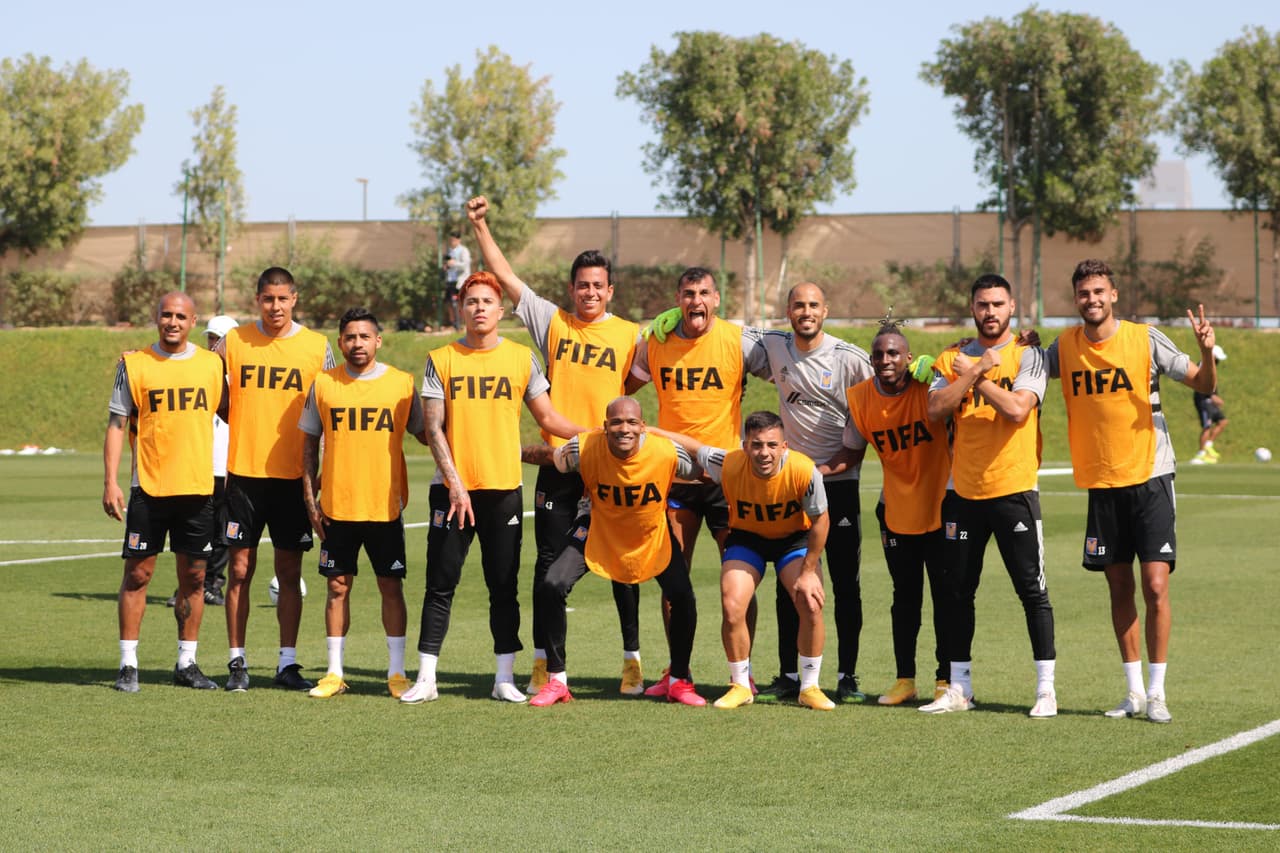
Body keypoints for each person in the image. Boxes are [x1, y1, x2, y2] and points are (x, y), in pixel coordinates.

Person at [465, 195, 644, 697]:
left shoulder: (632, 335)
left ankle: (631, 660)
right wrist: (480, 226)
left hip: (612, 466)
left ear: (611, 291)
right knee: (547, 563)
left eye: (598, 286)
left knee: (622, 563)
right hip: (560, 465)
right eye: (582, 285)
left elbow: (636, 389)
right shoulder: (552, 322)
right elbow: (504, 277)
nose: (590, 293)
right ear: (572, 289)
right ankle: (544, 663)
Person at [1045, 259, 1218, 724]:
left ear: (1114, 294)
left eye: (1099, 291)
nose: (1092, 300)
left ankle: (1159, 692)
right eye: (1084, 293)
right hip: (1102, 484)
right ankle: (1134, 692)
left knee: (1155, 585)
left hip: (1151, 476)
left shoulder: (1144, 339)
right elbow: (1024, 371)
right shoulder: (1063, 348)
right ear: (1076, 298)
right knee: (1118, 587)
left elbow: (1201, 382)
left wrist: (1205, 352)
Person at [402, 271, 584, 704]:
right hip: (451, 492)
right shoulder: (440, 358)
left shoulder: (521, 358)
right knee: (440, 583)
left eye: (487, 301)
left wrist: (598, 436)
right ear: (461, 309)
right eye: (471, 301)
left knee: (502, 585)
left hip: (503, 489)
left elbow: (550, 421)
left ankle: (504, 677)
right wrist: (455, 485)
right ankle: (426, 678)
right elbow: (433, 428)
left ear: (501, 311)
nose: (479, 307)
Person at [921, 273, 1058, 718]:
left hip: (1014, 490)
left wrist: (977, 376)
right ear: (973, 308)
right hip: (964, 493)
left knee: (1031, 591)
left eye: (998, 304)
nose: (990, 311)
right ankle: (960, 688)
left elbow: (1019, 409)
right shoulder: (951, 357)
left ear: (1012, 306)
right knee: (958, 592)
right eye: (982, 304)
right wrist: (975, 368)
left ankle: (1045, 689)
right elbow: (936, 410)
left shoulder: (1030, 354)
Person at [627, 266, 768, 697]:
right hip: (675, 477)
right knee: (672, 578)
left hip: (728, 478)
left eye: (704, 292)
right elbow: (623, 386)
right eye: (688, 293)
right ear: (678, 298)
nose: (696, 301)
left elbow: (788, 369)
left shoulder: (739, 340)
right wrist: (639, 340)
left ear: (717, 299)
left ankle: (742, 673)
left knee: (741, 577)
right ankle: (678, 671)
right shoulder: (657, 340)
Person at [520, 397, 706, 707]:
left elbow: (703, 471)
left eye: (631, 422)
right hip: (598, 529)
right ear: (605, 427)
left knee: (683, 595)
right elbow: (551, 457)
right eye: (616, 423)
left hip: (649, 535)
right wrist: (513, 453)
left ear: (643, 426)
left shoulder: (665, 451)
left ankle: (678, 680)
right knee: (552, 584)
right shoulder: (584, 447)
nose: (624, 429)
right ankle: (557, 680)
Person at [743, 282, 873, 704]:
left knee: (844, 583)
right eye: (798, 305)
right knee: (792, 581)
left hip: (837, 485)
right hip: (791, 490)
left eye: (813, 305)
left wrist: (816, 471)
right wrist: (661, 329)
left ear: (825, 310)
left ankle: (847, 675)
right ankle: (787, 674)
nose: (806, 311)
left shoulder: (850, 359)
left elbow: (866, 429)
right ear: (788, 310)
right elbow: (723, 338)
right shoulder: (775, 346)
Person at [657, 411, 834, 712]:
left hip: (792, 540)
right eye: (756, 445)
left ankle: (809, 686)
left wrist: (808, 572)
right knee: (732, 602)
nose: (763, 452)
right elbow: (692, 447)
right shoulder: (729, 463)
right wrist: (649, 430)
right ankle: (740, 685)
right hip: (748, 539)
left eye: (771, 445)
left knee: (810, 600)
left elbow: (820, 520)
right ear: (744, 446)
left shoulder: (805, 471)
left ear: (784, 446)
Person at [299, 307, 429, 700]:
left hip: (384, 506)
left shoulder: (403, 385)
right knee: (337, 588)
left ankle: (396, 673)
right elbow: (308, 445)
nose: (357, 344)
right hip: (337, 507)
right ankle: (335, 673)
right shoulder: (323, 384)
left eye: (364, 337)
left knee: (391, 586)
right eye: (350, 337)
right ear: (340, 342)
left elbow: (429, 433)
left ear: (378, 341)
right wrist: (310, 498)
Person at [218, 267, 336, 692]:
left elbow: (331, 405)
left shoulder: (317, 347)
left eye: (283, 299)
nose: (276, 307)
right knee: (239, 569)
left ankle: (287, 663)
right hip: (245, 475)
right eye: (268, 299)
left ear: (295, 299)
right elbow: (208, 384)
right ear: (257, 300)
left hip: (292, 478)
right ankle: (237, 662)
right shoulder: (234, 342)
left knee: (289, 570)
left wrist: (320, 472)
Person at [103, 292, 226, 692]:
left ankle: (186, 664)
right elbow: (117, 425)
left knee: (194, 577)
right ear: (156, 318)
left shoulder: (211, 365)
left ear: (193, 321)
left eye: (180, 316)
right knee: (138, 574)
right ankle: (128, 664)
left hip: (197, 489)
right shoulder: (134, 364)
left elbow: (236, 413)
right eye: (165, 314)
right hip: (149, 489)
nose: (172, 321)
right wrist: (110, 481)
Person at [844, 321, 952, 706]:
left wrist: (940, 365)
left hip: (941, 509)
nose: (885, 360)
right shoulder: (859, 398)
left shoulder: (931, 386)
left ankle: (946, 679)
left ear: (909, 357)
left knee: (945, 596)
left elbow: (964, 358)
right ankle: (905, 679)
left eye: (893, 353)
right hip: (895, 512)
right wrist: (814, 470)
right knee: (904, 598)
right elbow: (850, 449)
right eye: (878, 354)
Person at [166, 314, 238, 609]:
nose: (213, 344)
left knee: (222, 530)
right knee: (192, 529)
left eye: (219, 339)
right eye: (210, 338)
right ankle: (188, 585)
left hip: (229, 466)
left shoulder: (240, 376)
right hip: (197, 464)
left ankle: (212, 583)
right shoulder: (195, 370)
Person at [1190, 344, 1228, 465]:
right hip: (1203, 400)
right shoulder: (1203, 364)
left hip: (1210, 400)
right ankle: (1200, 454)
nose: (1217, 362)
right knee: (1207, 426)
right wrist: (1212, 396)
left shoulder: (1211, 365)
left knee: (1223, 421)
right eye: (1216, 359)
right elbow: (1200, 382)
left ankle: (1208, 445)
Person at [442, 232, 471, 331]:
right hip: (450, 281)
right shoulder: (450, 251)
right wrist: (446, 266)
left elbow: (465, 265)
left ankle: (463, 325)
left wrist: (454, 263)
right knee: (450, 303)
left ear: (459, 240)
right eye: (451, 240)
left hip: (460, 282)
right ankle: (454, 324)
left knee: (460, 303)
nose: (452, 242)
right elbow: (449, 264)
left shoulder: (464, 251)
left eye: (454, 240)